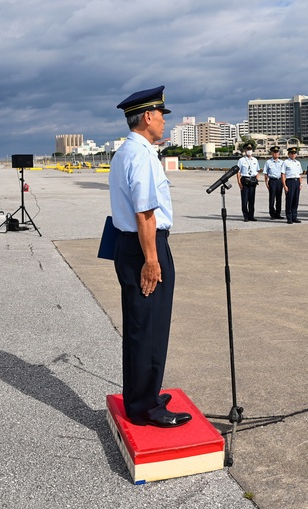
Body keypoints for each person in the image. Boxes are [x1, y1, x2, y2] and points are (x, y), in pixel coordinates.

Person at [109, 85, 190, 428]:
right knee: (148, 326)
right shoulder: (140, 156)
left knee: (144, 325)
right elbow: (145, 214)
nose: (163, 123)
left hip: (132, 245)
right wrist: (152, 261)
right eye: (160, 116)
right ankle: (145, 408)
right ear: (147, 117)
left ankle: (144, 395)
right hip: (146, 247)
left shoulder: (126, 152)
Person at [236, 141, 260, 222]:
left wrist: (256, 180)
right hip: (245, 180)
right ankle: (245, 216)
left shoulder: (255, 160)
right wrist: (239, 183)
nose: (249, 151)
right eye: (247, 149)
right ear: (245, 150)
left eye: (250, 149)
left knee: (252, 200)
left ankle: (251, 215)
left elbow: (257, 171)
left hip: (252, 180)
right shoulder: (241, 160)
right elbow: (238, 172)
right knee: (244, 200)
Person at [281, 147, 303, 223]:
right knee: (289, 200)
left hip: (297, 182)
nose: (293, 155)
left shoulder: (298, 163)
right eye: (292, 153)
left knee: (295, 200)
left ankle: (294, 216)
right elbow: (283, 174)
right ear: (289, 154)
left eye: (295, 153)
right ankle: (289, 217)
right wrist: (284, 185)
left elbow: (300, 174)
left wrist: (300, 184)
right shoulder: (286, 162)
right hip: (290, 182)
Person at [263, 146, 284, 220]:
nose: (276, 153)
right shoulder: (268, 162)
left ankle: (278, 213)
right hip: (272, 181)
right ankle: (272, 214)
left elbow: (284, 173)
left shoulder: (282, 162)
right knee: (272, 198)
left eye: (277, 152)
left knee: (279, 198)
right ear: (271, 153)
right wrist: (266, 183)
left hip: (279, 181)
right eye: (274, 152)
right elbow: (265, 173)